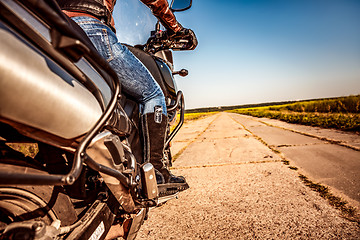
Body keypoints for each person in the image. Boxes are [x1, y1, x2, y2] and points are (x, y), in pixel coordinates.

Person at [56, 0, 197, 186]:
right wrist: (175, 28)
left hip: (53, 28)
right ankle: (157, 173)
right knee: (153, 95)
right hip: (91, 29)